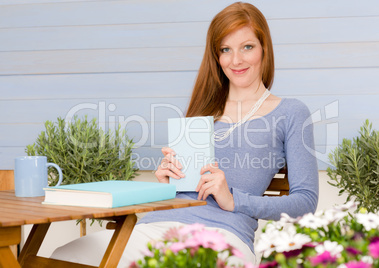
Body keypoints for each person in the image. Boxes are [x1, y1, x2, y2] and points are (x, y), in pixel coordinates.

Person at [51, 2, 318, 266]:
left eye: (247, 47)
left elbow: (305, 202)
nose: (236, 60)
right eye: (225, 50)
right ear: (216, 57)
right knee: (67, 254)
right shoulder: (201, 111)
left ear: (264, 49)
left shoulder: (291, 112)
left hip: (222, 236)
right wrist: (168, 182)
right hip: (158, 226)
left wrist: (235, 200)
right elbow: (180, 193)